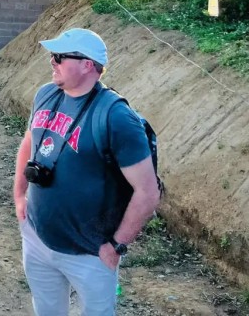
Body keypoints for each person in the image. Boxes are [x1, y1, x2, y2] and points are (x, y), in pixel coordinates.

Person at [13, 28, 161, 316]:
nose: (52, 62)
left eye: (59, 57)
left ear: (87, 65)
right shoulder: (46, 94)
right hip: (37, 239)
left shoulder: (116, 116)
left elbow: (148, 192)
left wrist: (116, 246)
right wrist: (19, 195)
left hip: (90, 254)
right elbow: (29, 142)